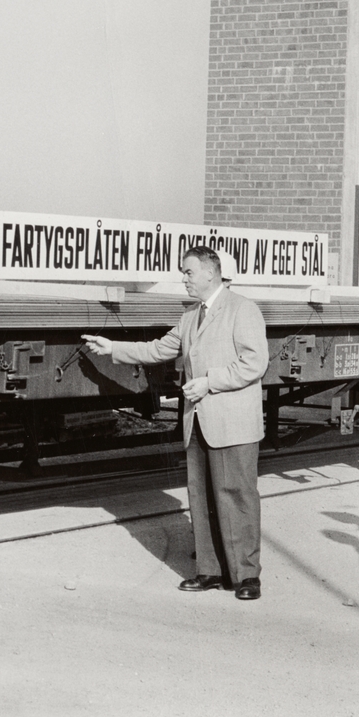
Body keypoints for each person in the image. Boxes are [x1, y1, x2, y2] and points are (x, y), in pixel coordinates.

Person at [81, 244, 269, 600]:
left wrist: (209, 382)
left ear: (210, 273)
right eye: (184, 273)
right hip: (197, 421)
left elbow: (255, 363)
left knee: (238, 497)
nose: (184, 279)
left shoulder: (242, 309)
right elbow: (157, 349)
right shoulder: (190, 316)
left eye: (189, 272)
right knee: (201, 497)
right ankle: (210, 571)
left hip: (232, 423)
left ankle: (247, 576)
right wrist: (113, 348)